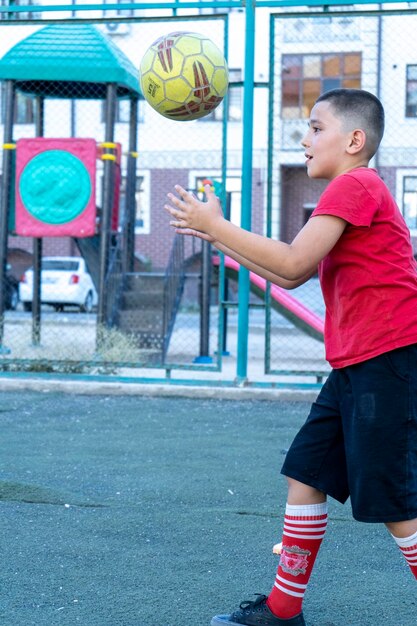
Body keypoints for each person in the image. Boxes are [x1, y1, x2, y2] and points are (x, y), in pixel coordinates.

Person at [164, 88, 417, 626]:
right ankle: (283, 611)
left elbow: (295, 261)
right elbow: (285, 274)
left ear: (354, 140)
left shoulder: (357, 185)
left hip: (390, 360)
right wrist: (216, 238)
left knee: (395, 501)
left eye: (316, 127)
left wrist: (217, 226)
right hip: (357, 363)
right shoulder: (351, 190)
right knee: (306, 471)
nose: (305, 139)